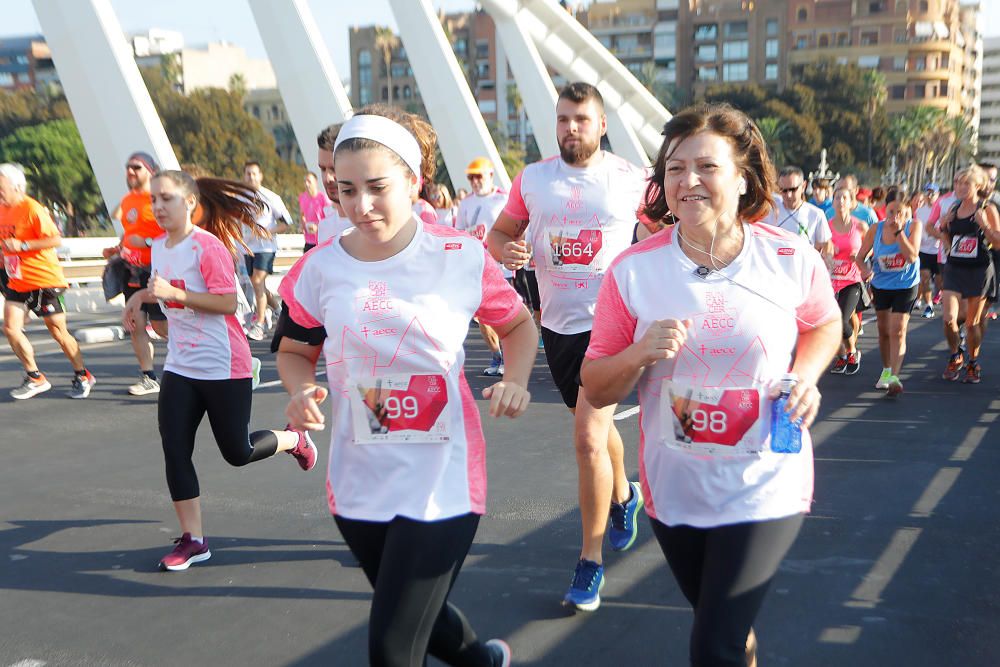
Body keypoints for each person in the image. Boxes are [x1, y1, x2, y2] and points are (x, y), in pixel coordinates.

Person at [581, 103, 841, 667]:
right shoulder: (633, 271)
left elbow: (824, 321)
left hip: (766, 479)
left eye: (706, 167)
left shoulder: (789, 257)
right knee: (722, 626)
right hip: (678, 490)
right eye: (674, 169)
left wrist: (807, 375)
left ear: (743, 176)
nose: (687, 181)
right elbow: (595, 385)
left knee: (712, 644)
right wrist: (638, 352)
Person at [277, 106, 533, 667]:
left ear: (414, 183)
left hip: (442, 482)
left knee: (392, 648)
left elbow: (516, 324)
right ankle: (481, 660)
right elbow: (295, 352)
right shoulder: (318, 270)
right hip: (358, 479)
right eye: (345, 190)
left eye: (376, 187)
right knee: (420, 615)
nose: (360, 205)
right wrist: (298, 392)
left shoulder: (459, 255)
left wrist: (515, 378)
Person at [487, 82, 648, 611]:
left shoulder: (631, 180)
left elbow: (665, 235)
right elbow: (498, 235)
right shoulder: (533, 181)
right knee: (592, 429)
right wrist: (507, 248)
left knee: (585, 439)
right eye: (562, 119)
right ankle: (625, 494)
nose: (570, 128)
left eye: (581, 118)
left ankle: (590, 562)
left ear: (602, 125)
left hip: (613, 326)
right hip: (557, 326)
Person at [122, 169, 317, 572]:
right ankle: (194, 540)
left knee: (238, 452)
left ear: (190, 202)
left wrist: (174, 294)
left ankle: (293, 439)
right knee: (175, 448)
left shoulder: (207, 247)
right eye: (154, 199)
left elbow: (228, 303)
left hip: (225, 365)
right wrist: (141, 297)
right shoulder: (159, 246)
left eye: (167, 199)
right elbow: (165, 288)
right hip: (181, 366)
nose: (157, 207)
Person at [0, 163, 96, 399]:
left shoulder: (32, 209)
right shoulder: (2, 210)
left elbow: (55, 240)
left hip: (44, 279)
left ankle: (82, 374)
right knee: (11, 328)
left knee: (58, 332)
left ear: (15, 186)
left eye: (1, 186)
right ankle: (35, 377)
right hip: (18, 281)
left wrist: (22, 245)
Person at [103, 151, 168, 396]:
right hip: (132, 270)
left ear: (150, 170)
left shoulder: (159, 199)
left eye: (136, 167)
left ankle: (201, 358)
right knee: (135, 323)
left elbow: (171, 233)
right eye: (128, 167)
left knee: (162, 328)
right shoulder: (128, 200)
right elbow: (131, 232)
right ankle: (149, 377)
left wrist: (148, 241)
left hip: (157, 270)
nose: (130, 171)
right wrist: (119, 247)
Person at [937, 165, 1000, 383]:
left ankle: (973, 362)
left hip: (979, 270)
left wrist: (984, 225)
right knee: (948, 319)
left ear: (978, 186)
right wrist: (944, 232)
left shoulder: (987, 208)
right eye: (958, 183)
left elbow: (997, 242)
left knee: (973, 323)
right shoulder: (954, 208)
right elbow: (945, 237)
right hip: (955, 268)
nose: (961, 187)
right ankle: (955, 356)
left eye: (966, 183)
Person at [856, 198, 921, 396]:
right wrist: (866, 271)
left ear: (907, 212)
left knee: (898, 330)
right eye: (891, 212)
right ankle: (886, 370)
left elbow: (911, 257)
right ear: (886, 211)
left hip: (906, 284)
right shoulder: (876, 229)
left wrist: (899, 232)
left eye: (900, 212)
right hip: (882, 284)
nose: (895, 217)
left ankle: (894, 376)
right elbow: (860, 257)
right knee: (883, 330)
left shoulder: (913, 226)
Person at [456, 157, 511, 376]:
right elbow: (459, 233)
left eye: (478, 176)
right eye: (471, 177)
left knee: (503, 315)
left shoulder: (503, 199)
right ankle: (497, 356)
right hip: (475, 268)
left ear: (490, 175)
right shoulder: (466, 203)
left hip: (501, 267)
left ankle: (508, 358)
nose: (475, 181)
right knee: (483, 318)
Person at [242, 161, 292, 341]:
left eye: (254, 173)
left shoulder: (271, 197)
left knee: (257, 281)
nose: (251, 177)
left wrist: (266, 232)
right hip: (247, 247)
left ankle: (260, 324)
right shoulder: (240, 197)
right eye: (248, 173)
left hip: (266, 247)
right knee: (258, 285)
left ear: (260, 176)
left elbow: (286, 223)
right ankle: (279, 310)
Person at [827, 182, 868, 376]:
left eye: (845, 198)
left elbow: (872, 247)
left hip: (852, 280)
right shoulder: (826, 227)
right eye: (837, 198)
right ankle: (842, 355)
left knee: (841, 318)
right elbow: (818, 249)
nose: (841, 201)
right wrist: (827, 253)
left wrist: (860, 255)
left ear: (851, 203)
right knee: (832, 321)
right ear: (832, 202)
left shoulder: (860, 226)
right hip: (831, 280)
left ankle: (852, 351)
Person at [767, 166, 832, 255]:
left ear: (803, 186)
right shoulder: (770, 210)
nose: (788, 195)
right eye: (784, 190)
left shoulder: (816, 214)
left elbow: (827, 245)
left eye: (793, 189)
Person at [315, 123, 353, 246]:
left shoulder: (372, 227)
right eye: (323, 169)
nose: (328, 178)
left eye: (333, 168)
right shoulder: (324, 228)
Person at [916, 183, 942, 318]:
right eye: (928, 193)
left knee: (939, 282)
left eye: (933, 193)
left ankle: (940, 296)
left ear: (938, 195)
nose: (930, 196)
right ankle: (928, 305)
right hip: (924, 250)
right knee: (924, 277)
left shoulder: (942, 209)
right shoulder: (919, 211)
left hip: (939, 250)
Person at [298, 171, 331, 253]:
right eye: (305, 181)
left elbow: (331, 218)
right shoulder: (302, 197)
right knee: (306, 264)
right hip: (309, 240)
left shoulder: (324, 198)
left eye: (309, 181)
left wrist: (318, 227)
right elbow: (302, 214)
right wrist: (302, 225)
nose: (306, 184)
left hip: (322, 240)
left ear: (315, 183)